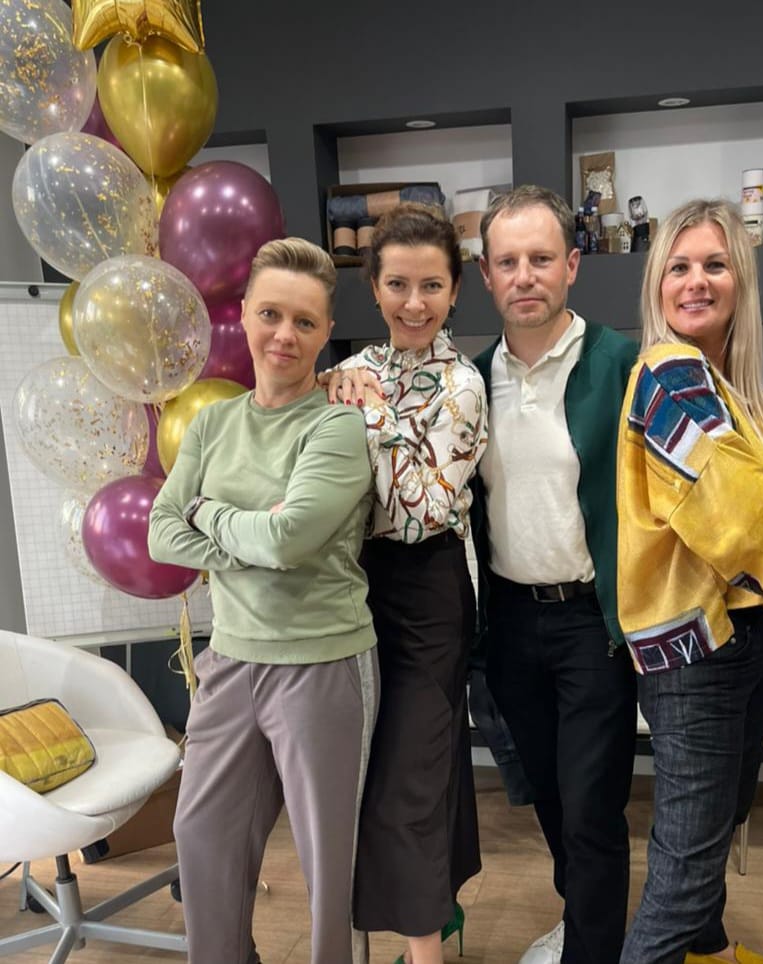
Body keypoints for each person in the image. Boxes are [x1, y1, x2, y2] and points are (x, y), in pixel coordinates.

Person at [616, 199, 763, 964]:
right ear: (657, 285)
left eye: (715, 265)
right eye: (679, 267)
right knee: (685, 866)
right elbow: (741, 513)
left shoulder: (747, 400)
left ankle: (709, 952)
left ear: (740, 281)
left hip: (745, 637)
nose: (696, 281)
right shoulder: (670, 375)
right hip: (699, 647)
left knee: (714, 828)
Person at [148, 238, 377, 964]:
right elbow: (160, 533)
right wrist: (248, 541)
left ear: (326, 331)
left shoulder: (336, 426)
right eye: (271, 314)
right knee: (201, 836)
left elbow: (289, 539)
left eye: (305, 322)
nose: (285, 335)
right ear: (244, 313)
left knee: (326, 865)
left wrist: (208, 514)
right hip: (229, 660)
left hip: (323, 664)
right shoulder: (213, 423)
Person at [471, 184, 639, 964]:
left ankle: (593, 952)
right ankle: (587, 923)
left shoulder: (622, 364)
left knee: (592, 807)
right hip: (509, 621)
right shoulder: (471, 381)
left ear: (572, 265)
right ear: (486, 275)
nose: (525, 276)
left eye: (540, 259)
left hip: (590, 622)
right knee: (545, 792)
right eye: (508, 262)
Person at [326, 203, 487, 964]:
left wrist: (374, 413)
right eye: (397, 284)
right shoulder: (348, 370)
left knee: (411, 779)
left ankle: (425, 957)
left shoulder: (464, 385)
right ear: (374, 287)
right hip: (349, 588)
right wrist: (338, 386)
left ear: (455, 290)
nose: (414, 303)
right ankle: (432, 925)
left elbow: (422, 512)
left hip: (428, 594)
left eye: (431, 286)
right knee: (364, 776)